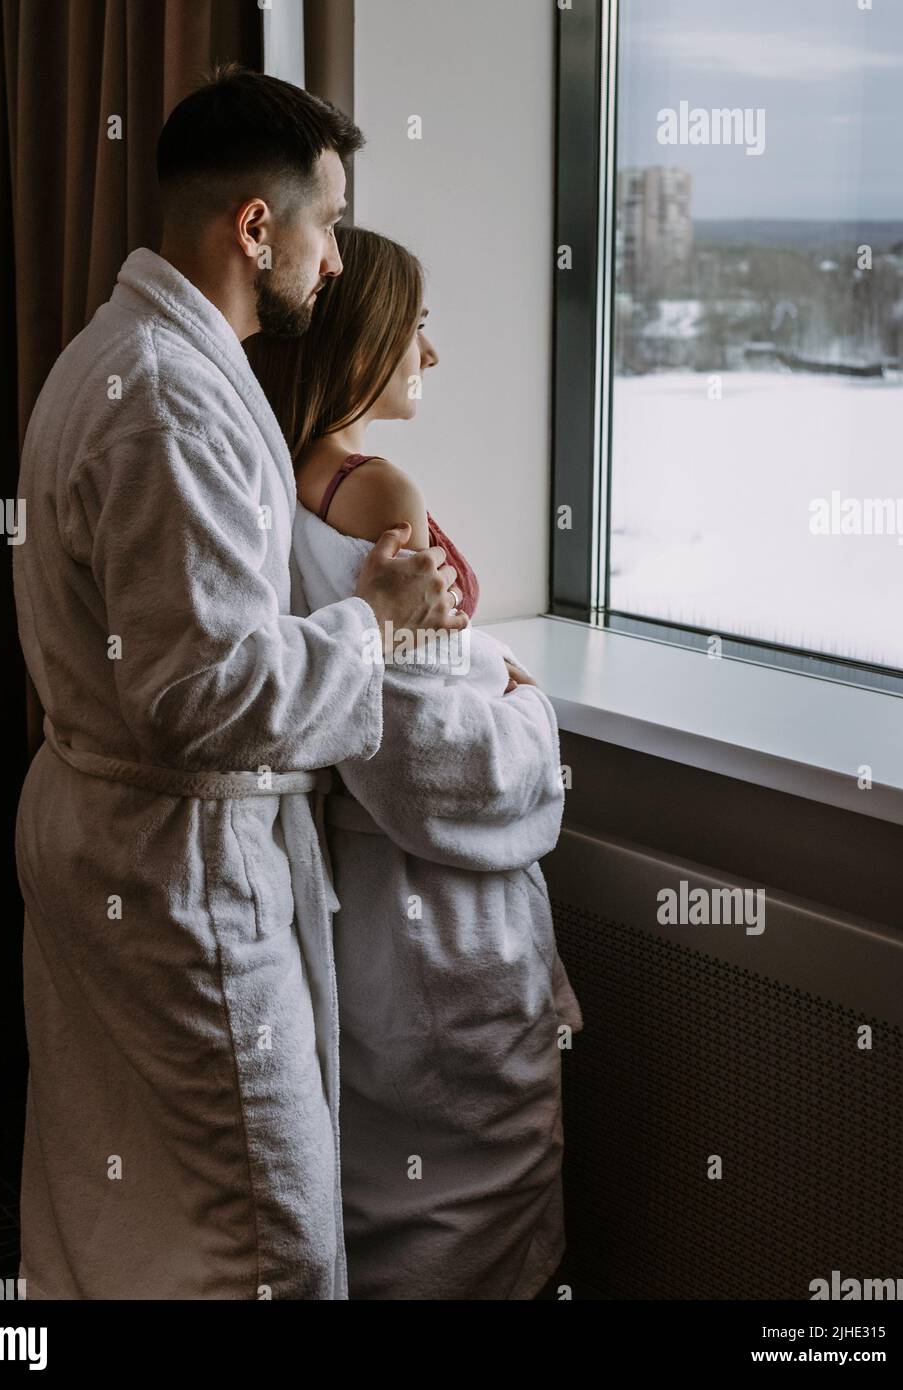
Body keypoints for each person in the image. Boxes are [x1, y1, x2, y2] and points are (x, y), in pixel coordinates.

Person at [11, 66, 468, 1301]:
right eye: (323, 224)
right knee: (260, 1236)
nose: (333, 259)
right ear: (255, 227)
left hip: (115, 834)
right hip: (174, 865)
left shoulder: (130, 354)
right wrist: (374, 621)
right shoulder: (164, 397)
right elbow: (197, 688)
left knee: (115, 1199)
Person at [247, 226, 584, 1299]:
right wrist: (528, 714)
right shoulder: (375, 487)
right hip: (434, 912)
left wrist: (469, 657)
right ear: (360, 342)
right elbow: (426, 753)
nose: (428, 356)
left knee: (389, 1198)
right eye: (417, 330)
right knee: (477, 1207)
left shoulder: (274, 476)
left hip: (355, 906)